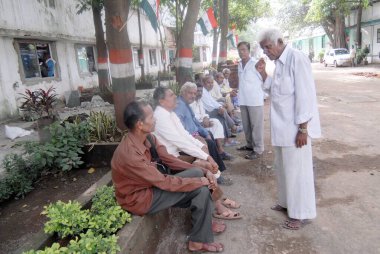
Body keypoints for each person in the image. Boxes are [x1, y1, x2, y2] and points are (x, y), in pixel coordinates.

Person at [111, 100, 225, 252]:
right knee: (201, 188)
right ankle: (197, 241)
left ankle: (203, 225)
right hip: (140, 198)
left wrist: (203, 171)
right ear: (140, 124)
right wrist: (200, 182)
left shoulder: (149, 137)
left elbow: (169, 159)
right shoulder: (130, 154)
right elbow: (164, 182)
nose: (155, 119)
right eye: (151, 117)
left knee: (197, 173)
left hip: (151, 185)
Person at [257, 28, 321, 230]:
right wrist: (262, 73)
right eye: (263, 49)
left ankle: (300, 214)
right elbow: (274, 90)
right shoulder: (277, 64)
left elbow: (305, 96)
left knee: (298, 173)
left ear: (280, 42)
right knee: (284, 170)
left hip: (295, 131)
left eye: (268, 47)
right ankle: (286, 204)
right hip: (281, 129)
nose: (266, 52)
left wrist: (303, 129)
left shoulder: (297, 59)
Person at [153, 87, 234, 186]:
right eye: (171, 95)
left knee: (203, 146)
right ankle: (216, 179)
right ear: (162, 101)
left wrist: (200, 146)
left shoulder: (170, 113)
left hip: (178, 150)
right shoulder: (160, 117)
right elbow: (180, 141)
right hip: (171, 158)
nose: (175, 97)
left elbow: (184, 134)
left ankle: (215, 178)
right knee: (203, 161)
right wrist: (205, 156)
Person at [175, 82, 233, 161]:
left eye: (194, 93)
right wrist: (197, 135)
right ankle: (215, 165)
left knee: (211, 132)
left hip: (197, 129)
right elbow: (181, 127)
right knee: (210, 142)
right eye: (190, 93)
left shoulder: (187, 103)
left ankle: (218, 158)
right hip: (190, 136)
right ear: (183, 93)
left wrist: (205, 131)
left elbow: (195, 120)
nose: (193, 96)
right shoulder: (180, 105)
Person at [236, 41, 265, 160]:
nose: (241, 52)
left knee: (256, 126)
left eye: (243, 49)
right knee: (246, 125)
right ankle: (249, 145)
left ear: (248, 51)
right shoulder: (239, 64)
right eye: (239, 50)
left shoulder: (255, 63)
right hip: (243, 99)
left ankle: (258, 149)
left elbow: (264, 78)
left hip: (255, 100)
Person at [201, 74, 241, 147]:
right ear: (203, 83)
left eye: (212, 82)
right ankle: (233, 127)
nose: (211, 84)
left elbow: (213, 102)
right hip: (205, 114)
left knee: (222, 113)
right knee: (222, 112)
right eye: (208, 82)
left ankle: (229, 136)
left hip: (209, 111)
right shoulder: (203, 92)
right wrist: (219, 107)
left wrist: (219, 106)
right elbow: (209, 106)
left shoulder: (207, 91)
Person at [190, 83, 227, 158]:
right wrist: (202, 122)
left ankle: (220, 149)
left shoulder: (199, 100)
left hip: (203, 121)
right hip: (196, 125)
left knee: (216, 122)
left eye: (201, 91)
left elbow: (203, 113)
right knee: (214, 124)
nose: (200, 93)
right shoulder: (190, 102)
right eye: (198, 91)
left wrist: (206, 118)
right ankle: (217, 151)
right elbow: (192, 118)